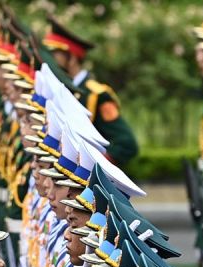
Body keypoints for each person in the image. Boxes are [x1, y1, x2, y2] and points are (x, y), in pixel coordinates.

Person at [43, 16, 139, 164]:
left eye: (55, 55)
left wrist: (90, 164)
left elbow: (126, 144)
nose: (50, 61)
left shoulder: (96, 95)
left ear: (72, 58)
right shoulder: (61, 90)